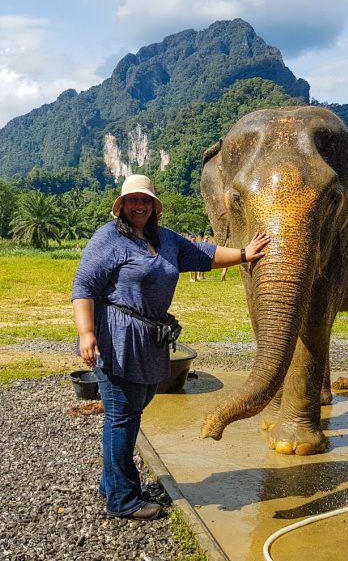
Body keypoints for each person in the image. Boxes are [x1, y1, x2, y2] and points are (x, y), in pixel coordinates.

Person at [71, 174, 270, 521]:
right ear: (122, 205)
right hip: (116, 337)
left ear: (153, 205)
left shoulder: (165, 240)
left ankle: (112, 483)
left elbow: (204, 254)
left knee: (137, 406)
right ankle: (122, 500)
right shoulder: (109, 238)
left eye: (145, 200)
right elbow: (83, 286)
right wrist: (86, 333)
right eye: (133, 200)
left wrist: (243, 253)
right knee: (121, 417)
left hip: (149, 338)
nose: (139, 206)